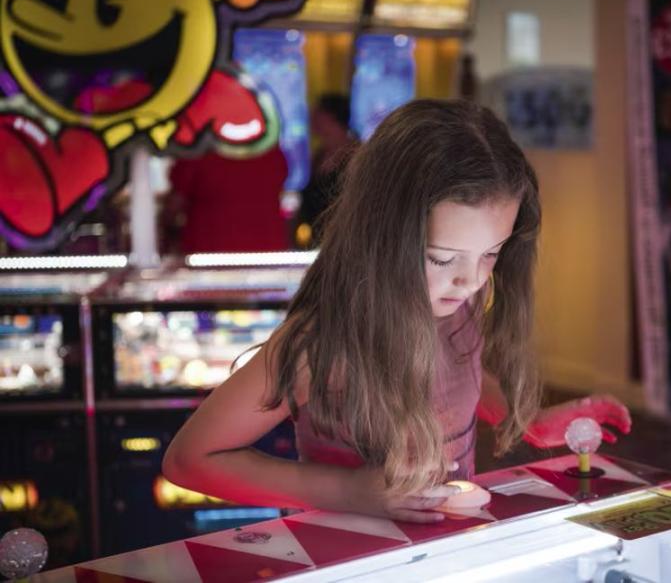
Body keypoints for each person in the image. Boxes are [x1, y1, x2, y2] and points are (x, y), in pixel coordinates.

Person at [162, 99, 631, 523]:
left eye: (492, 253)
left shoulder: (456, 301)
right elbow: (190, 459)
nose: (472, 281)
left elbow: (460, 375)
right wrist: (350, 491)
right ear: (382, 237)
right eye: (443, 258)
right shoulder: (321, 342)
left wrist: (523, 418)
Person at [165, 145, 289, 254]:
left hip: (208, 262)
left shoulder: (198, 149)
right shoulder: (270, 151)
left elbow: (174, 206)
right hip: (267, 259)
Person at [295, 93, 356, 247]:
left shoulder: (355, 154)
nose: (311, 117)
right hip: (317, 236)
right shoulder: (319, 154)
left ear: (331, 117)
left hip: (345, 238)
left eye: (317, 113)